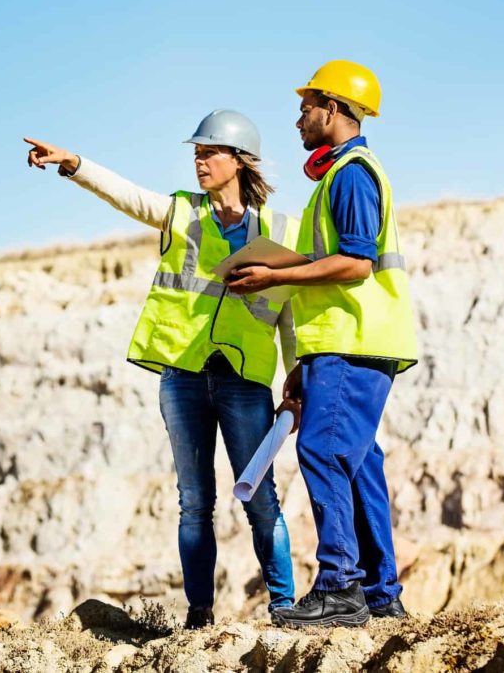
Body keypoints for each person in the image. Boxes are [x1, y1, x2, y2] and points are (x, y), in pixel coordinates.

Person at [24, 110, 300, 628]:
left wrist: (297, 371)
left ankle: (283, 606)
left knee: (261, 499)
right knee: (194, 503)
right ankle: (200, 614)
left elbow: (289, 309)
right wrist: (75, 164)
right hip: (183, 374)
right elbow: (126, 195)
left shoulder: (283, 229)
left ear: (239, 162)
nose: (199, 161)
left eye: (209, 152)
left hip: (246, 381)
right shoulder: (182, 213)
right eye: (196, 153)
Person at [226, 61, 419, 627]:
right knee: (358, 466)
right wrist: (304, 361)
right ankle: (380, 595)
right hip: (341, 345)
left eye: (306, 107)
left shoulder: (353, 174)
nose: (299, 118)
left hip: (352, 343)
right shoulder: (342, 175)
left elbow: (357, 262)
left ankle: (339, 586)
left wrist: (275, 276)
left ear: (333, 109)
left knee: (323, 453)